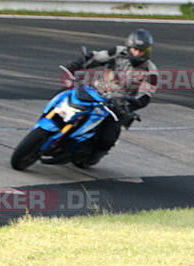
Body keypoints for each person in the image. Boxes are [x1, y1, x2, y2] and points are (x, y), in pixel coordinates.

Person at [65, 28, 157, 166]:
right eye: (135, 49)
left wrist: (132, 103)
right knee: (66, 97)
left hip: (120, 104)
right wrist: (78, 64)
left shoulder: (151, 71)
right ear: (129, 47)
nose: (137, 53)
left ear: (147, 51)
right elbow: (97, 57)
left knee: (107, 136)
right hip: (97, 91)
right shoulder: (118, 51)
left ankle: (97, 153)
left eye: (141, 51)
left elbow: (146, 95)